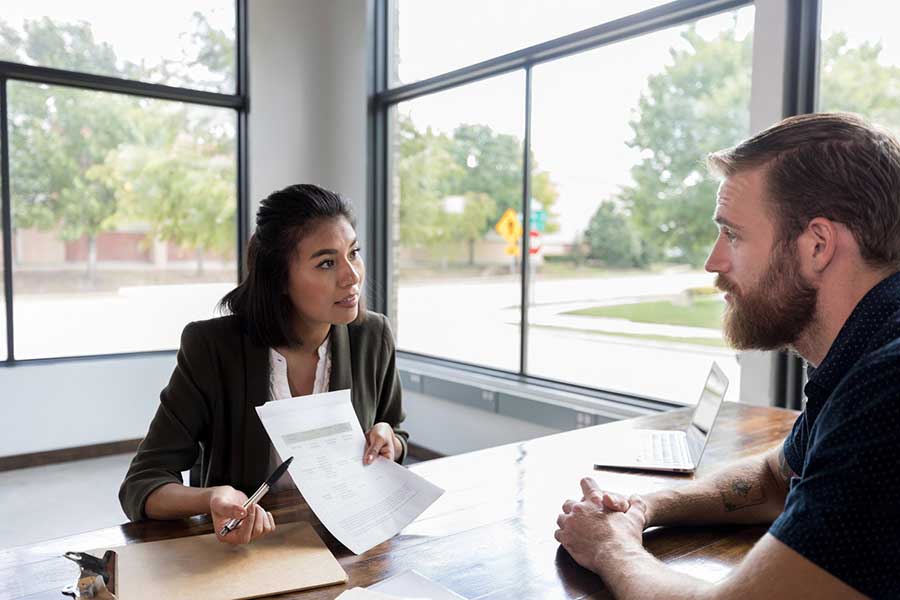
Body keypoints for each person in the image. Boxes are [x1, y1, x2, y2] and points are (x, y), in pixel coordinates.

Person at [555, 113, 900, 599]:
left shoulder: (887, 392)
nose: (713, 262)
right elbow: (773, 480)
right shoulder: (861, 356)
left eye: (733, 235)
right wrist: (641, 508)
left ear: (818, 245)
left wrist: (613, 548)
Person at [120, 184, 408, 545]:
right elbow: (141, 484)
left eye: (354, 253)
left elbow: (394, 430)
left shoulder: (372, 336)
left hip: (348, 544)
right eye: (326, 263)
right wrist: (212, 497)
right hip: (248, 549)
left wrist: (388, 440)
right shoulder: (212, 348)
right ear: (279, 279)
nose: (352, 276)